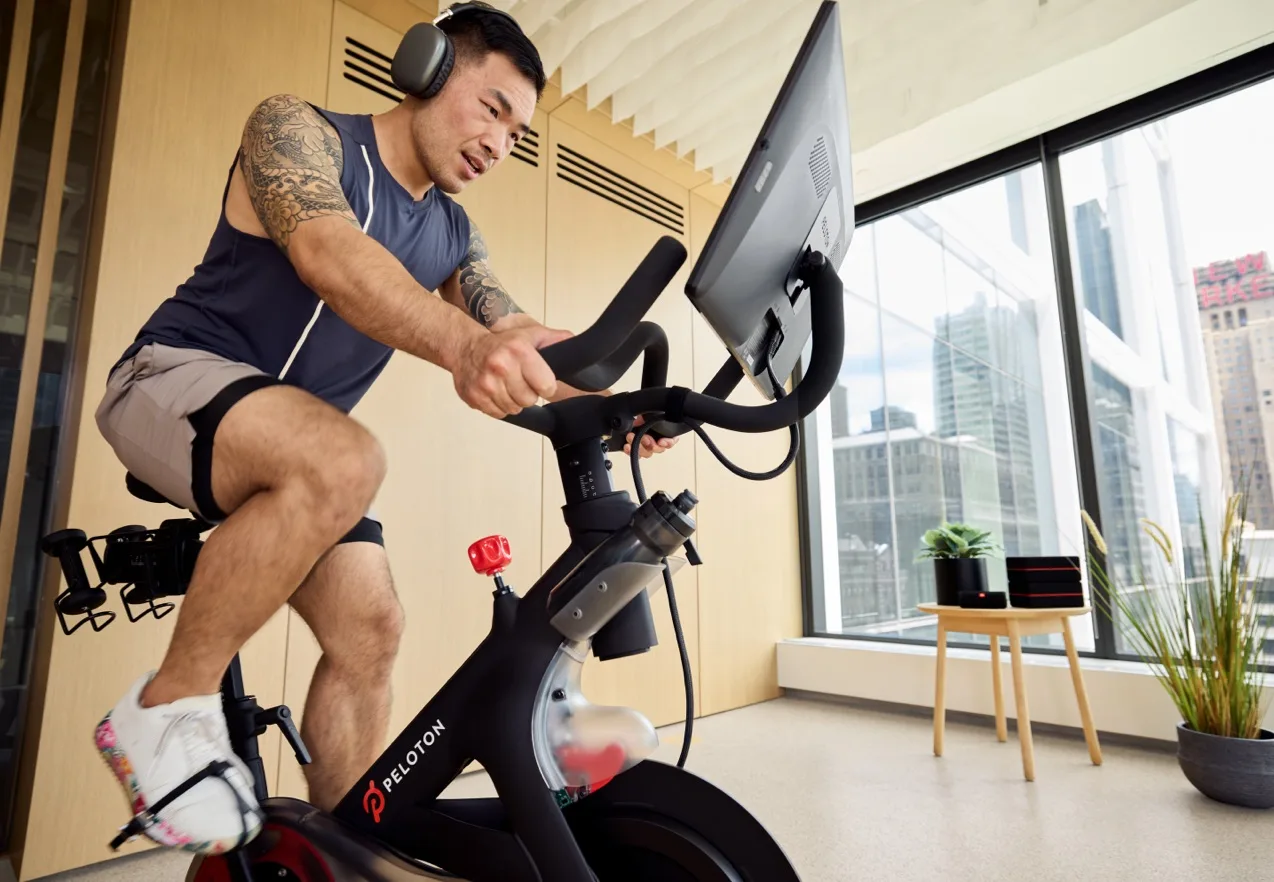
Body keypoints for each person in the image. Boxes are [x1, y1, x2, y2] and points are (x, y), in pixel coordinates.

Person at [90, 2, 675, 856]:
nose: (500, 144)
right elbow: (328, 249)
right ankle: (160, 714)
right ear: (428, 68)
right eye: (493, 109)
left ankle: (352, 846)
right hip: (168, 379)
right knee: (348, 456)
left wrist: (613, 409)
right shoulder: (301, 132)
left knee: (372, 628)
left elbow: (512, 330)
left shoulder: (451, 231)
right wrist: (462, 345)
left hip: (298, 449)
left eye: (519, 134)